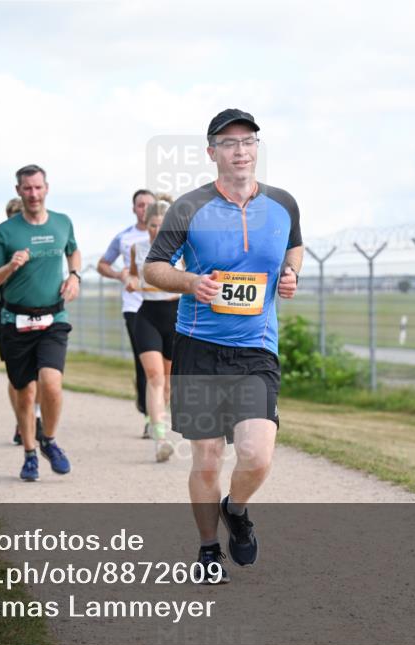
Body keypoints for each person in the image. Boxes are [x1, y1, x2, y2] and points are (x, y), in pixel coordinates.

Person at [144, 109, 303, 584]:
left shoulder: (282, 204)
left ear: (257, 149)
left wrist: (292, 273)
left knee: (257, 455)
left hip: (255, 348)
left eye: (248, 141)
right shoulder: (189, 208)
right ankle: (209, 548)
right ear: (212, 152)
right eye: (229, 143)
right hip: (198, 347)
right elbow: (153, 268)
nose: (240, 150)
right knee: (208, 457)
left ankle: (237, 509)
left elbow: (293, 245)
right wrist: (191, 282)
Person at [0, 164, 81, 482]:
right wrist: (10, 266)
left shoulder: (63, 222)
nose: (33, 194)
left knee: (51, 384)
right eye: (27, 188)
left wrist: (75, 275)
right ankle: (29, 454)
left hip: (53, 317)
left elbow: (73, 252)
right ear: (18, 191)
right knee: (24, 393)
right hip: (15, 321)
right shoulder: (6, 232)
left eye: (38, 187)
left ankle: (48, 440)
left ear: (47, 188)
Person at [97, 189, 156, 437]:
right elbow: (102, 264)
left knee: (168, 368)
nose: (144, 209)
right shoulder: (124, 238)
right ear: (134, 209)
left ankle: (155, 406)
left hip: (168, 307)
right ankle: (149, 418)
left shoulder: (169, 236)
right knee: (145, 365)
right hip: (136, 307)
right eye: (140, 205)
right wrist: (120, 274)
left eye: (149, 205)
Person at [128, 196, 179, 462]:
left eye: (161, 225)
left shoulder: (180, 249)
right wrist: (130, 280)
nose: (156, 230)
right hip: (147, 315)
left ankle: (156, 419)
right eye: (152, 225)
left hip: (174, 316)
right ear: (145, 226)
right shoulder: (137, 247)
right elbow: (133, 274)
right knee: (154, 377)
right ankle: (160, 438)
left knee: (168, 383)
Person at [5, 196, 43, 446]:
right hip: (12, 317)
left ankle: (35, 416)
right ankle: (22, 419)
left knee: (41, 373)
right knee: (18, 378)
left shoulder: (40, 242)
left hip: (42, 315)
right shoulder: (4, 241)